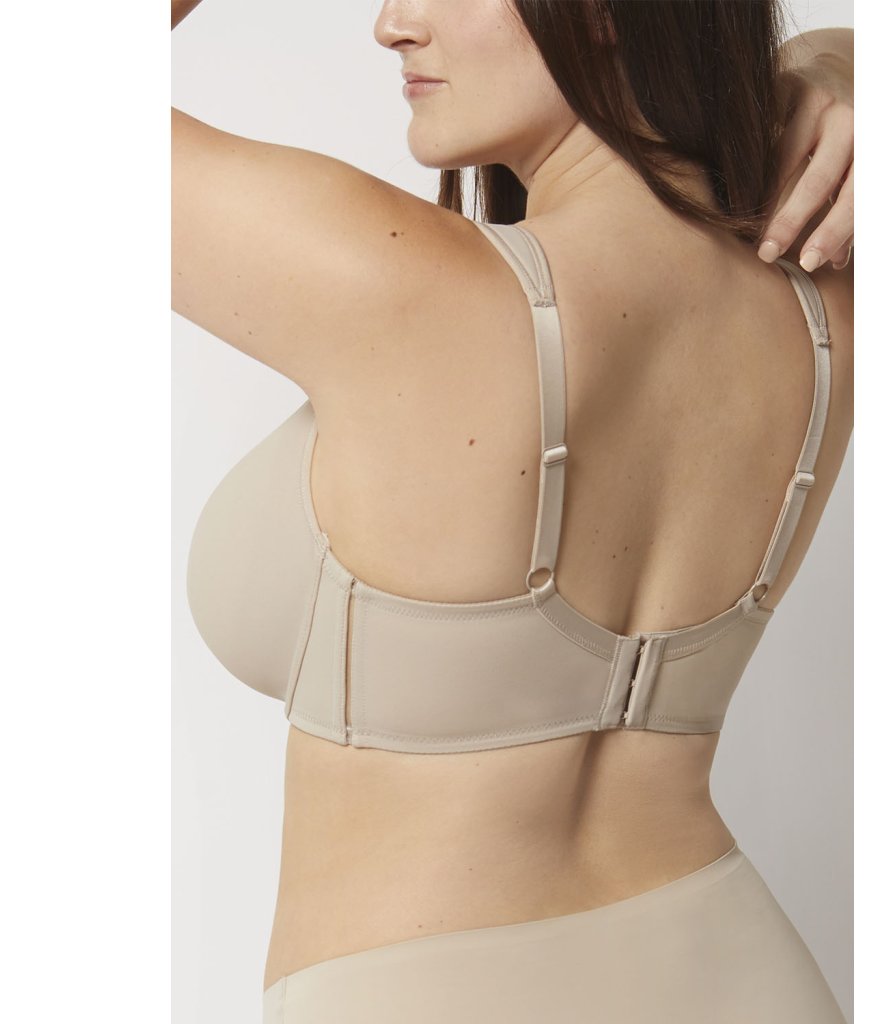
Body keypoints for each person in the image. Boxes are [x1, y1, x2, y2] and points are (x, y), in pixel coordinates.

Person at [173, 1, 854, 1020]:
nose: (390, 23)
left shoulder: (398, 286)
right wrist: (838, 83)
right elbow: (830, 49)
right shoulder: (828, 294)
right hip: (744, 976)